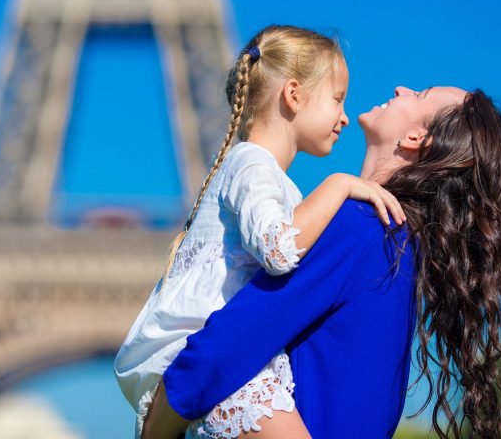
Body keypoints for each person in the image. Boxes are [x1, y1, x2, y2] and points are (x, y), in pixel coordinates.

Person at [143, 87, 501, 439]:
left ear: (415, 139)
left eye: (419, 94)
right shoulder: (400, 248)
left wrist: (155, 427)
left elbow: (233, 339)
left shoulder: (365, 226)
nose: (401, 88)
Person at [114, 25, 406, 438]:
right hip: (214, 362)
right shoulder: (251, 163)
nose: (345, 116)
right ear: (293, 94)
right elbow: (278, 249)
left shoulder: (263, 175)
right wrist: (339, 184)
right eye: (338, 98)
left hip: (228, 362)